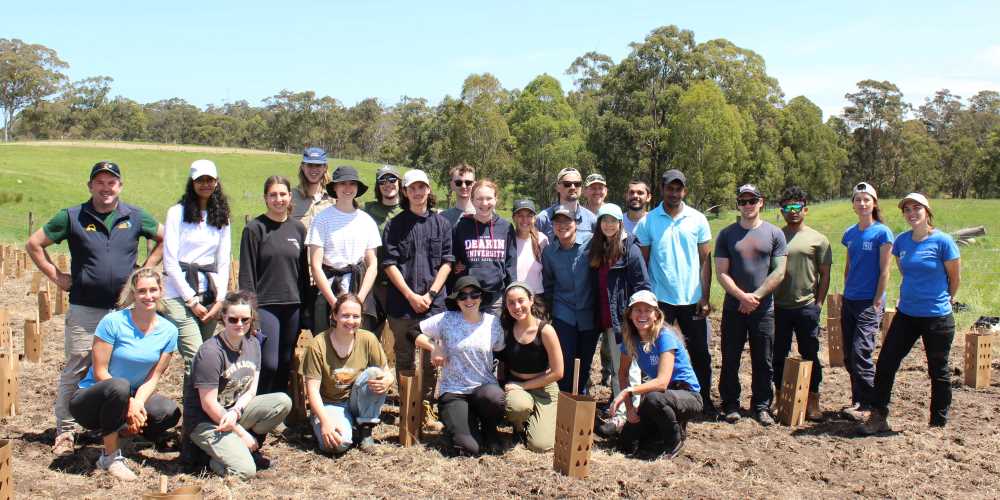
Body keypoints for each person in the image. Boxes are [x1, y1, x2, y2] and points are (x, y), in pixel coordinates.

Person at [25, 160, 164, 456]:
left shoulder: (135, 216)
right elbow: (34, 243)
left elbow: (165, 238)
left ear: (120, 186)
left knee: (118, 370)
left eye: (111, 182)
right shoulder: (72, 216)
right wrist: (57, 276)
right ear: (90, 186)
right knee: (77, 367)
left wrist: (144, 271)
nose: (106, 188)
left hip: (123, 310)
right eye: (99, 182)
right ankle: (66, 431)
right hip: (85, 309)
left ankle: (114, 427)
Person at [860, 193, 961, 434]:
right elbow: (907, 272)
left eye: (917, 208)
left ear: (927, 211)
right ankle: (879, 416)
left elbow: (954, 277)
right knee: (886, 362)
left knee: (939, 370)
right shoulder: (902, 242)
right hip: (907, 315)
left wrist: (947, 297)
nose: (912, 213)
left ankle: (938, 423)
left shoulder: (943, 242)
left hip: (937, 317)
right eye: (907, 210)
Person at [68, 268, 180, 481]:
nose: (148, 296)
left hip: (130, 396)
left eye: (153, 290)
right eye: (142, 291)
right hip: (92, 399)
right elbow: (100, 371)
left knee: (168, 411)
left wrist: (137, 403)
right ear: (133, 293)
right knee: (119, 387)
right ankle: (109, 457)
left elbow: (154, 376)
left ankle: (124, 432)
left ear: (161, 291)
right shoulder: (113, 322)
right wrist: (129, 402)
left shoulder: (169, 331)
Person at [634, 169, 716, 417]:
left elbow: (705, 260)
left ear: (684, 191)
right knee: (658, 353)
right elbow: (644, 262)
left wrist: (705, 296)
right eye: (670, 188)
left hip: (691, 299)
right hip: (660, 301)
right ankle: (662, 400)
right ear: (662, 189)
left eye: (678, 188)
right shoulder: (648, 221)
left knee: (700, 352)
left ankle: (704, 400)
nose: (674, 193)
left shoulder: (698, 219)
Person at [185, 291, 292, 479]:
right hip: (206, 421)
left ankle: (237, 448)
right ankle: (209, 459)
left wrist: (235, 413)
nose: (240, 324)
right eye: (233, 319)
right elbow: (208, 404)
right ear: (223, 318)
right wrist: (240, 432)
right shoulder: (211, 352)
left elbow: (251, 390)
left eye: (245, 319)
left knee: (282, 402)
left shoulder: (253, 344)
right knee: (245, 471)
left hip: (231, 413)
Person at [382, 168, 454, 431]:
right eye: (412, 188)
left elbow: (447, 262)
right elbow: (389, 264)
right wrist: (411, 296)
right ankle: (407, 405)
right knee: (403, 356)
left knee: (430, 359)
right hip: (402, 305)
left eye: (422, 187)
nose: (418, 192)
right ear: (405, 192)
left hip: (434, 306)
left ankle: (424, 407)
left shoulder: (442, 224)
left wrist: (431, 294)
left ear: (429, 190)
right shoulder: (395, 225)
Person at [715, 184, 787, 426]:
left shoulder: (775, 234)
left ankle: (761, 406)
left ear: (761, 202)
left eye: (752, 201)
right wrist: (741, 297)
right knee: (730, 357)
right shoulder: (726, 234)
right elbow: (722, 273)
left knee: (763, 359)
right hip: (733, 308)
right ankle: (730, 404)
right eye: (743, 201)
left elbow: (779, 271)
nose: (747, 205)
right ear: (738, 204)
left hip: (763, 309)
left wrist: (754, 297)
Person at [415, 276, 505, 456]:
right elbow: (413, 331)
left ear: (481, 297)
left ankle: (489, 427)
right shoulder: (446, 319)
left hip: (483, 388)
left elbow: (501, 351)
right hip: (454, 391)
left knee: (496, 398)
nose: (469, 300)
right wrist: (435, 347)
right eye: (462, 296)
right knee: (470, 449)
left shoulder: (492, 322)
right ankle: (462, 423)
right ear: (456, 300)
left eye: (474, 294)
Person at [611, 290, 702, 460]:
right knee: (627, 441)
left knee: (653, 398)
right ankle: (657, 434)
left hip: (687, 395)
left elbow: (662, 382)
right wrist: (630, 409)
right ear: (630, 315)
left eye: (648, 310)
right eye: (637, 310)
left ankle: (675, 440)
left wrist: (629, 391)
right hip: (661, 396)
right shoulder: (630, 339)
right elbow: (622, 374)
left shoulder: (665, 336)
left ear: (656, 315)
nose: (642, 314)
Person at [239, 176, 308, 395]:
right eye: (273, 195)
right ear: (265, 198)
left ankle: (275, 410)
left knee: (286, 361)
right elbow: (247, 275)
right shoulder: (254, 229)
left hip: (293, 304)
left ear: (290, 197)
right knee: (269, 363)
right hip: (266, 305)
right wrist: (252, 312)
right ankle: (256, 406)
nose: (278, 199)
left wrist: (305, 307)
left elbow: (304, 274)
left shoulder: (298, 229)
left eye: (282, 194)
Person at [163, 159, 232, 375]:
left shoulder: (222, 217)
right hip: (177, 293)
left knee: (205, 359)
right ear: (192, 183)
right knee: (195, 356)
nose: (205, 184)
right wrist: (190, 300)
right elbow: (170, 261)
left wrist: (220, 300)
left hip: (209, 294)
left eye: (209, 180)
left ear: (216, 182)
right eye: (200, 180)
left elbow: (222, 260)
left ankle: (197, 406)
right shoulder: (176, 213)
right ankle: (196, 408)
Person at [301, 294, 392, 453]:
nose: (351, 321)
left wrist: (387, 380)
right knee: (337, 445)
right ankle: (340, 424)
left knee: (375, 373)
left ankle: (365, 430)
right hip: (330, 403)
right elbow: (312, 390)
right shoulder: (318, 345)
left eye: (356, 316)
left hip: (357, 401)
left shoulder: (368, 339)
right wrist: (325, 421)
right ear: (334, 315)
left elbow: (386, 372)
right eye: (345, 315)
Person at [588, 203, 650, 437]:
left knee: (628, 369)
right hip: (603, 318)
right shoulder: (598, 248)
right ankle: (620, 412)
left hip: (622, 320)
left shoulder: (629, 249)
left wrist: (637, 317)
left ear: (620, 223)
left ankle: (627, 417)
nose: (609, 225)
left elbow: (642, 285)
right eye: (604, 220)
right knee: (616, 368)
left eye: (613, 221)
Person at [772, 186, 831, 420]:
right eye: (788, 208)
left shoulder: (819, 239)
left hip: (806, 307)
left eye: (797, 207)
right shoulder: (775, 236)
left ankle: (813, 401)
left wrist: (818, 304)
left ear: (805, 209)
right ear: (782, 211)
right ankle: (778, 399)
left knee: (810, 354)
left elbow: (825, 274)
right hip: (779, 307)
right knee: (778, 356)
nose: (793, 212)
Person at [839, 182, 893, 422]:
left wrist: (876, 302)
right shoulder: (849, 233)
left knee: (862, 352)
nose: (862, 203)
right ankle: (859, 401)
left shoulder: (882, 232)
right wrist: (845, 291)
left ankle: (873, 406)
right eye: (858, 199)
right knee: (850, 356)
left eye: (866, 199)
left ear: (874, 203)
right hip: (849, 300)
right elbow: (849, 266)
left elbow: (884, 271)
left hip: (869, 304)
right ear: (853, 204)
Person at [306, 165, 381, 333]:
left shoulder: (367, 221)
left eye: (352, 184)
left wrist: (359, 301)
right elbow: (316, 265)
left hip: (358, 287)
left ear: (357, 188)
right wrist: (334, 303)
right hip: (328, 291)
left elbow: (373, 264)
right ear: (335, 187)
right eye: (343, 184)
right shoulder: (321, 219)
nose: (348, 188)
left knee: (358, 346)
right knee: (326, 343)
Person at [496, 282, 563, 452]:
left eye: (521, 300)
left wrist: (524, 386)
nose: (516, 306)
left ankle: (537, 418)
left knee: (541, 446)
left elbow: (558, 372)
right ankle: (519, 426)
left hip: (544, 387)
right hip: (516, 385)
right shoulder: (505, 328)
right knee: (517, 406)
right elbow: (501, 361)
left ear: (531, 300)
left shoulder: (546, 330)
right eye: (511, 302)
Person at [541, 206, 597, 394]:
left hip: (589, 313)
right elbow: (548, 283)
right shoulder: (549, 252)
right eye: (558, 222)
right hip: (563, 312)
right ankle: (564, 402)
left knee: (585, 361)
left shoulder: (590, 244)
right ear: (553, 225)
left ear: (577, 223)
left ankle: (580, 400)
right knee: (566, 360)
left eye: (567, 221)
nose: (562, 225)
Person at [451, 179, 516, 314]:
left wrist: (512, 290)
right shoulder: (462, 226)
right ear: (472, 200)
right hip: (469, 296)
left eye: (489, 198)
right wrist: (456, 266)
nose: (484, 203)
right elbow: (453, 256)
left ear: (496, 199)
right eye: (479, 199)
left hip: (496, 297)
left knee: (495, 334)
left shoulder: (506, 227)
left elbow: (511, 263)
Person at [363, 165, 404, 337]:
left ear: (400, 183)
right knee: (369, 333)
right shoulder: (367, 210)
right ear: (378, 186)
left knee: (402, 334)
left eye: (392, 179)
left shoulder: (409, 209)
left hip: (401, 283)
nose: (388, 184)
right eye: (383, 181)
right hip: (374, 282)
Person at [535, 167, 597, 243]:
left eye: (577, 184)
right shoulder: (543, 219)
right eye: (567, 184)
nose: (573, 187)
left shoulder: (592, 219)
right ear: (557, 187)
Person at [511, 199, 548, 300]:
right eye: (520, 216)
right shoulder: (508, 240)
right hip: (514, 297)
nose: (525, 220)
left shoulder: (542, 239)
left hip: (537, 296)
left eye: (529, 216)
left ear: (535, 218)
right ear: (513, 218)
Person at [291, 147, 333, 223]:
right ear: (303, 167)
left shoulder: (334, 198)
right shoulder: (291, 196)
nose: (313, 170)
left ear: (325, 168)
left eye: (318, 165)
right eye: (310, 165)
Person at [440, 163, 476, 228]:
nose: (463, 186)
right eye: (458, 183)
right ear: (452, 185)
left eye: (468, 183)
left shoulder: (485, 214)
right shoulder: (442, 217)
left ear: (474, 185)